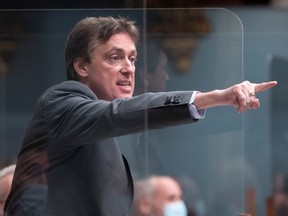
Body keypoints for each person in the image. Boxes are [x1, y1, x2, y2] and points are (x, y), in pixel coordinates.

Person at [4, 16, 277, 216]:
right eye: (114, 58)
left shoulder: (112, 127)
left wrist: (227, 102)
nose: (128, 69)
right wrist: (215, 96)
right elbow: (116, 114)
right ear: (81, 66)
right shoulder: (62, 101)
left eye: (132, 59)